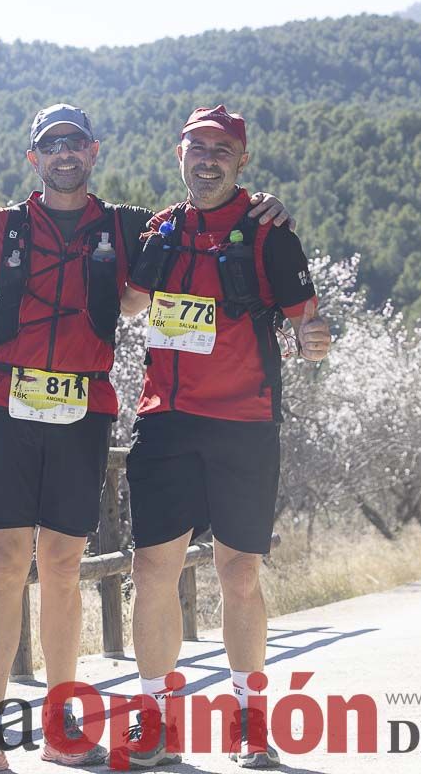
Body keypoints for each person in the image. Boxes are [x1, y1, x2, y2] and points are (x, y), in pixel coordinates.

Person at [0, 103, 292, 774]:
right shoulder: (3, 227)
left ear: (94, 152)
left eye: (75, 142)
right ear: (33, 157)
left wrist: (261, 209)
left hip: (82, 410)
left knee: (66, 568)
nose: (64, 153)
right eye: (51, 143)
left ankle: (61, 726)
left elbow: (204, 213)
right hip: (6, 404)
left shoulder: (130, 226)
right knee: (6, 561)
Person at [120, 105, 331, 770]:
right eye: (196, 147)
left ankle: (250, 721)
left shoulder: (268, 233)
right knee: (150, 570)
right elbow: (127, 302)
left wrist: (313, 339)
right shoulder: (160, 230)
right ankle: (153, 721)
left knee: (238, 575)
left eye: (221, 148)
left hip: (244, 422)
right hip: (165, 420)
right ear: (177, 154)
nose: (206, 158)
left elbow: (310, 324)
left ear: (241, 159)